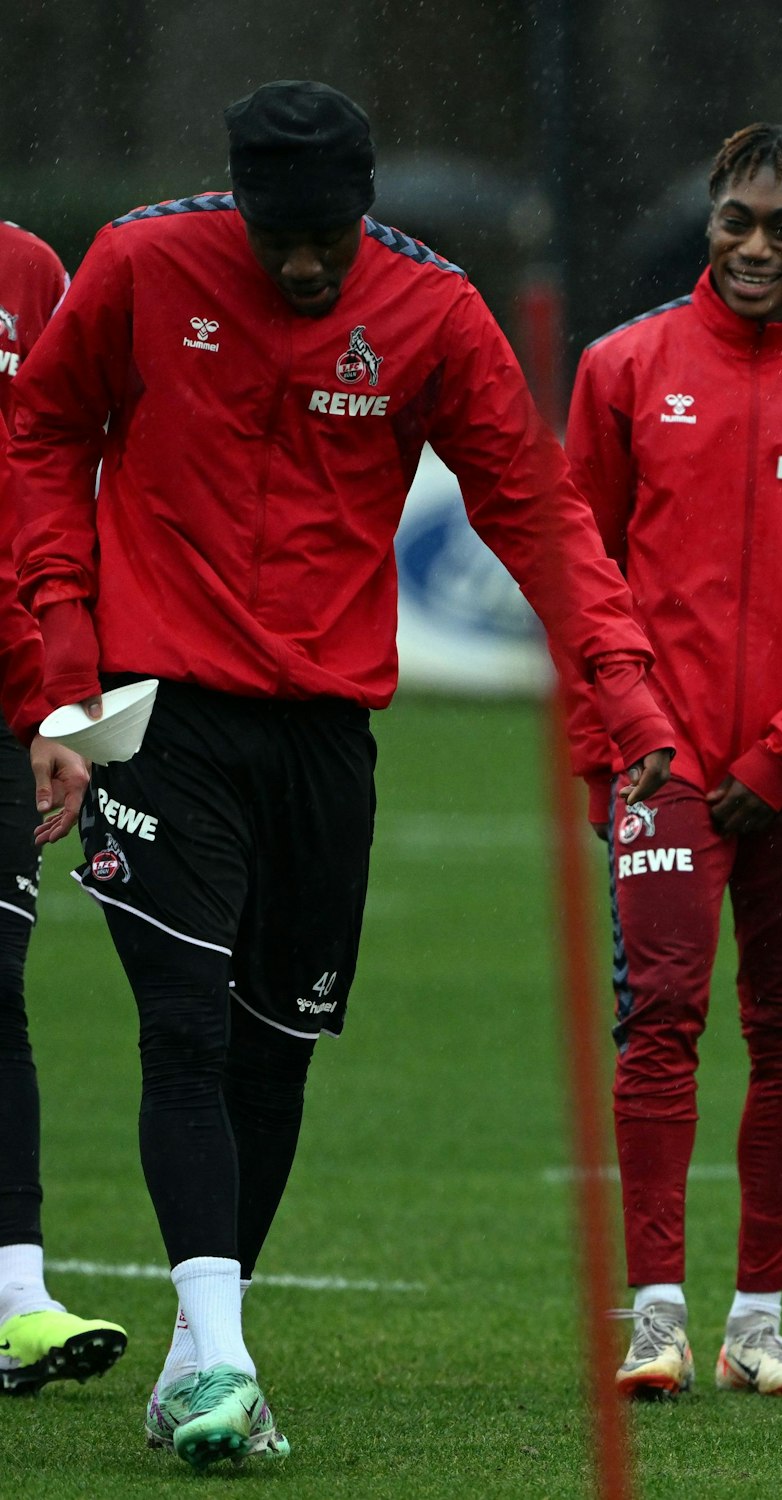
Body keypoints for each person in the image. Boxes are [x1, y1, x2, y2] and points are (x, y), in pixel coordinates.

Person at [7, 81, 674, 1469]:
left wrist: (620, 683)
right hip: (159, 709)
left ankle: (200, 1346)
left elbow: (530, 502)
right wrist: (65, 653)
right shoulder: (140, 264)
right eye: (282, 237)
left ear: (365, 209)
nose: (307, 263)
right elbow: (45, 435)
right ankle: (230, 1358)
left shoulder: (432, 311)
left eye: (330, 237)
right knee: (181, 1024)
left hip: (326, 732)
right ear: (241, 201)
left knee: (276, 1046)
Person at [562, 123, 782, 1403]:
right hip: (658, 767)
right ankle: (655, 1313)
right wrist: (613, 746)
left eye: (781, 227)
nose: (754, 246)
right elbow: (581, 568)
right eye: (735, 221)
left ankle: (757, 1320)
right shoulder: (621, 368)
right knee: (658, 1022)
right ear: (707, 220)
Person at [0, 219, 122, 1396]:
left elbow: (52, 476)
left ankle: (17, 1297)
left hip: (9, 701)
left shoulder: (32, 272)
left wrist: (57, 698)